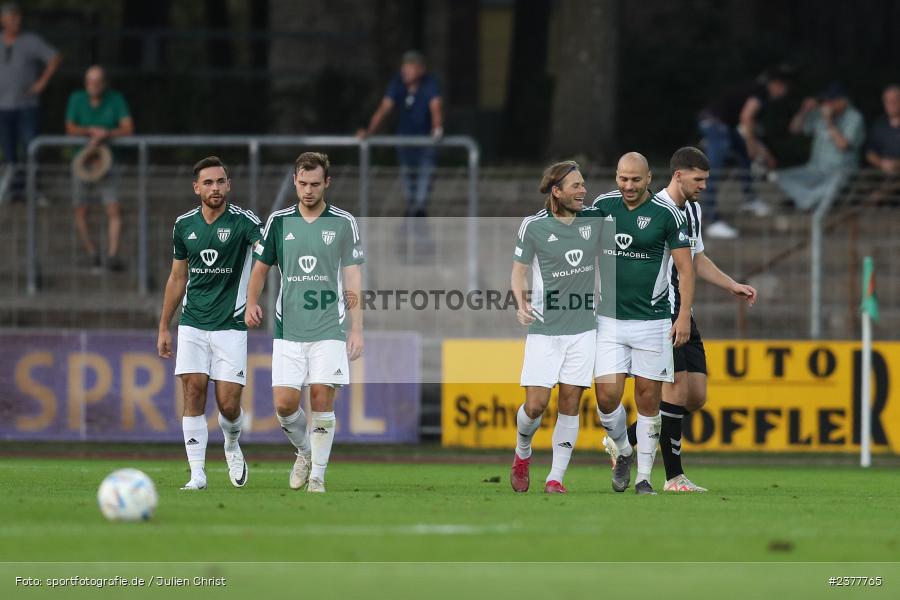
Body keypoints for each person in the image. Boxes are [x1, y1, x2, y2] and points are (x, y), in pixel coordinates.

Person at [606, 147, 758, 492]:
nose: (704, 185)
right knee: (674, 394)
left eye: (706, 179)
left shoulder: (692, 209)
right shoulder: (657, 209)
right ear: (679, 175)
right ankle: (673, 477)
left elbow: (696, 258)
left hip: (684, 310)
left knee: (695, 396)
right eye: (698, 179)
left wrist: (731, 285)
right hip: (664, 312)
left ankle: (623, 442)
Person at [245, 152, 364, 494]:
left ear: (327, 182)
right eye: (302, 183)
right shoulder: (279, 222)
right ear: (294, 181)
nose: (308, 190)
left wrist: (356, 328)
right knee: (284, 405)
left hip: (329, 327)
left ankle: (318, 477)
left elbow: (353, 277)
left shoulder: (343, 222)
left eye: (315, 184)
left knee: (321, 399)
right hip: (288, 329)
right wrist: (252, 302)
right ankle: (304, 451)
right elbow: (260, 268)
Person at [590, 152, 694, 495]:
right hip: (609, 321)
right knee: (607, 398)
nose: (628, 186)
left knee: (648, 399)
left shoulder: (667, 215)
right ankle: (622, 449)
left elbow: (686, 269)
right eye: (622, 178)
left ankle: (644, 478)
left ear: (649, 179)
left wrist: (682, 317)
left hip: (652, 321)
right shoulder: (604, 206)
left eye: (635, 180)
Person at [157, 156, 262, 491]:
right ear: (196, 187)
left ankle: (231, 445)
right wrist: (164, 326)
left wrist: (254, 299)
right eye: (208, 182)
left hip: (230, 325)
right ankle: (197, 474)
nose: (215, 188)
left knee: (229, 405)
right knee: (193, 391)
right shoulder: (183, 225)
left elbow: (266, 256)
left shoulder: (246, 223)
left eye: (220, 182)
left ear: (228, 185)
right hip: (192, 324)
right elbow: (176, 278)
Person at [510, 161, 601, 494]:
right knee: (534, 407)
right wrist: (521, 304)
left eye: (583, 185)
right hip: (545, 330)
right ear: (556, 191)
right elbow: (518, 271)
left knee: (569, 403)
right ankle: (522, 452)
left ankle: (555, 478)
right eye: (575, 186)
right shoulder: (533, 226)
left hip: (583, 329)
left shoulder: (594, 219)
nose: (583, 191)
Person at [697, 69, 791, 238]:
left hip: (725, 125)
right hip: (715, 123)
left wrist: (757, 150)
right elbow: (746, 118)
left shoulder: (755, 90)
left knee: (743, 155)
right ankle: (710, 219)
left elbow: (749, 128)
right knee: (715, 168)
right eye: (784, 88)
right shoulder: (760, 93)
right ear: (776, 85)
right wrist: (751, 146)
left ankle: (750, 199)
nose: (784, 93)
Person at [358, 50, 443, 217]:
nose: (406, 70)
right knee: (407, 178)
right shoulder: (397, 83)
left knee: (424, 180)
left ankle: (419, 212)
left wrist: (437, 129)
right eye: (404, 66)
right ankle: (412, 213)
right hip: (405, 140)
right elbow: (385, 108)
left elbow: (436, 107)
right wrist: (370, 130)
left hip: (426, 142)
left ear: (421, 70)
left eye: (410, 67)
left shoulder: (430, 84)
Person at [65, 65, 133, 270]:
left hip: (108, 161)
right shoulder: (76, 99)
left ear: (104, 83)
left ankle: (112, 255)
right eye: (89, 81)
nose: (93, 86)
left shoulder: (116, 99)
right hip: (82, 161)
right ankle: (92, 251)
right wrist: (89, 131)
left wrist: (107, 134)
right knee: (80, 209)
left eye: (97, 81)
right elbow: (70, 128)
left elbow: (128, 128)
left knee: (113, 207)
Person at [0, 2, 61, 203]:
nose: (15, 21)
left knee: (30, 148)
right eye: (10, 18)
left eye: (17, 17)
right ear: (3, 20)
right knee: (9, 152)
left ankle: (33, 189)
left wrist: (41, 83)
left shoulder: (31, 41)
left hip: (27, 105)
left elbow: (54, 57)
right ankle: (14, 191)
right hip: (3, 107)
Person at [772, 82, 865, 211]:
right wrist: (804, 110)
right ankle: (810, 201)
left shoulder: (855, 117)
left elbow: (843, 145)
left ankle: (807, 201)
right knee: (778, 177)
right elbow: (794, 129)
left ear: (843, 101)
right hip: (814, 169)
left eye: (831, 100)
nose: (827, 103)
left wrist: (829, 122)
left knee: (830, 186)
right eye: (826, 100)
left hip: (839, 172)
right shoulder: (818, 114)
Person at [864, 84, 900, 205]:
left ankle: (880, 195)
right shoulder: (879, 124)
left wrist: (896, 164)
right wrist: (881, 163)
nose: (891, 103)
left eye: (895, 100)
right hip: (882, 171)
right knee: (864, 177)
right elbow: (869, 152)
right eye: (888, 100)